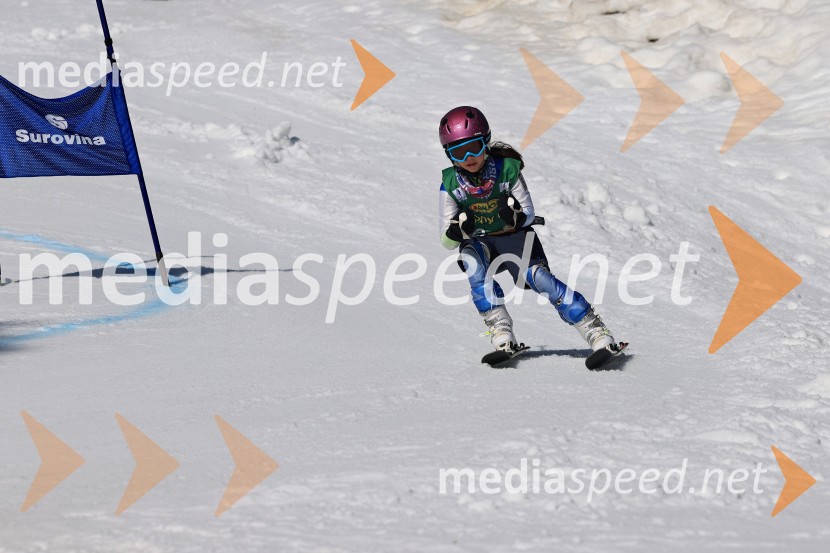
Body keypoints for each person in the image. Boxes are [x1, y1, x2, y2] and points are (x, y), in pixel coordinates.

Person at [438, 106, 618, 354]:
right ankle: (501, 330)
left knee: (540, 279)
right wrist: (459, 231)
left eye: (475, 147)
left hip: (514, 237)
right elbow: (446, 241)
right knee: (471, 261)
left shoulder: (506, 170)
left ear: (486, 141)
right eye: (458, 151)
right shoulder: (450, 185)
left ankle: (595, 330)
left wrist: (514, 217)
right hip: (481, 243)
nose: (469, 156)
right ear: (449, 155)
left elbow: (529, 212)